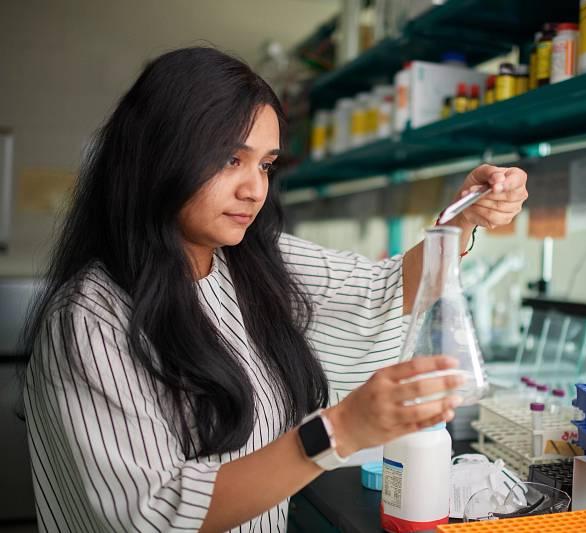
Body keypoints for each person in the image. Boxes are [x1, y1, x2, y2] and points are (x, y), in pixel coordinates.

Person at [22, 47, 528, 533]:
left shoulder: (251, 259)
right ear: (159, 156)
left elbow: (381, 292)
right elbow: (154, 514)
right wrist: (341, 430)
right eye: (229, 160)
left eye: (265, 164)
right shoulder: (92, 317)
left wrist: (463, 219)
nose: (254, 189)